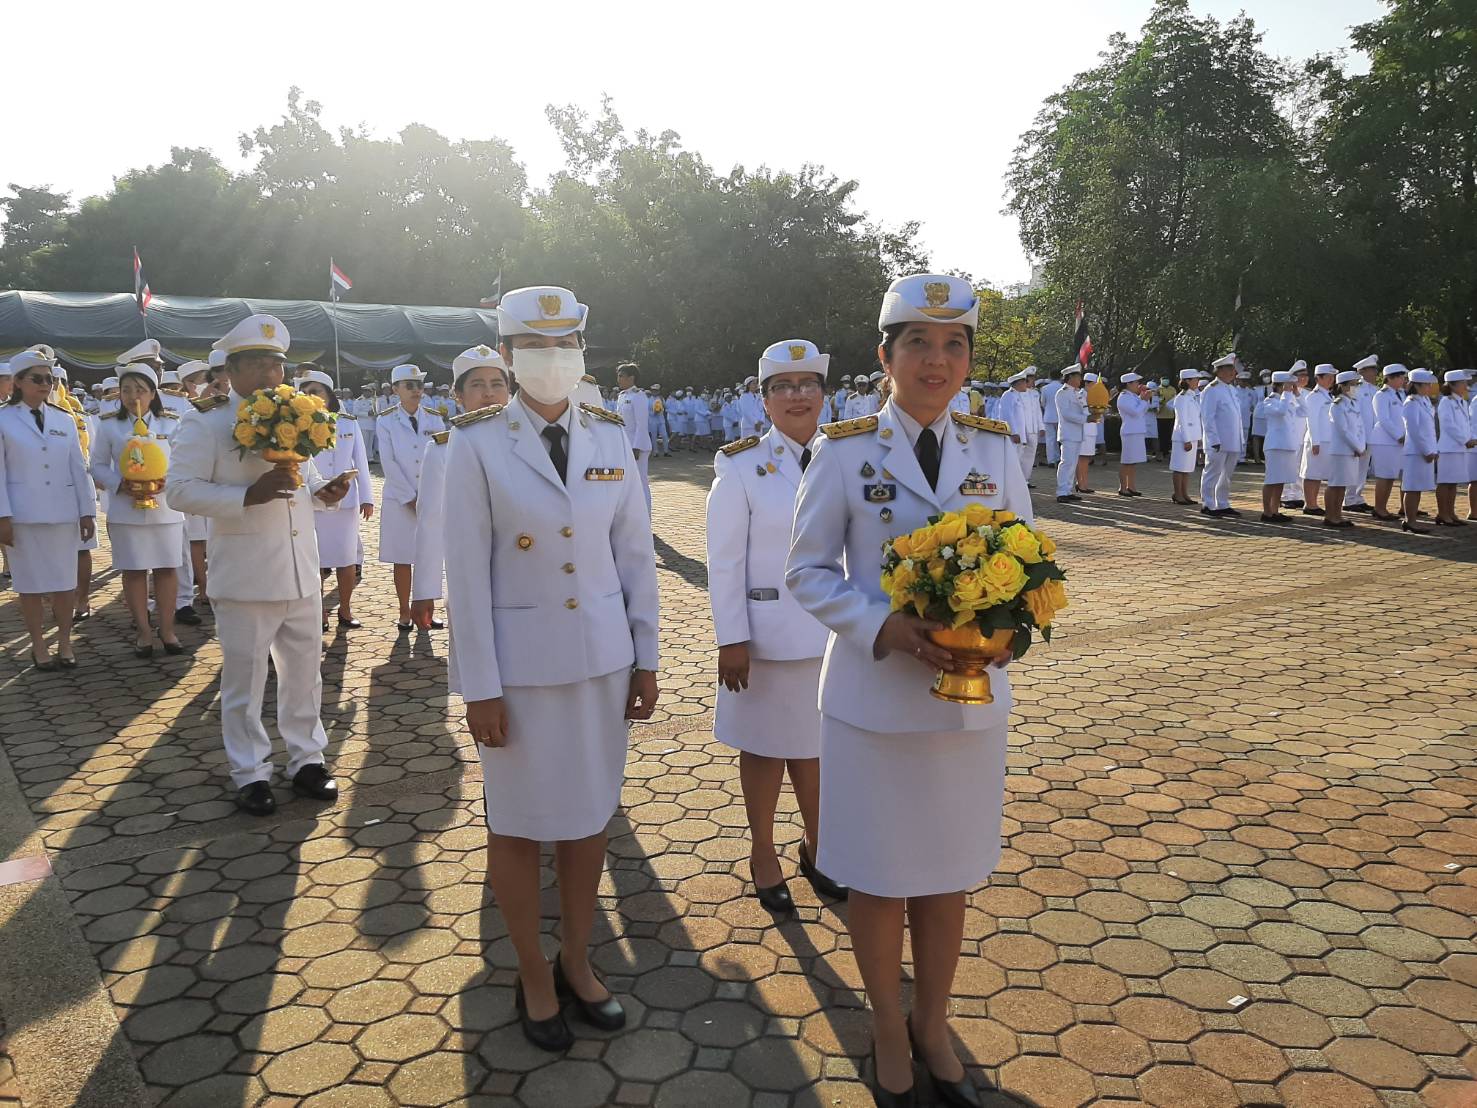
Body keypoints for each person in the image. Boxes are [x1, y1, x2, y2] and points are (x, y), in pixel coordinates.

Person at [787, 274, 1031, 1108]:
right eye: (918, 344)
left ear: (968, 359)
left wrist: (1011, 626)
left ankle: (933, 1024)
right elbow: (807, 572)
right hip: (871, 700)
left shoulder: (995, 448)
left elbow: (1026, 555)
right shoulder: (845, 449)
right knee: (878, 875)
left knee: (944, 872)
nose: (936, 359)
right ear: (884, 356)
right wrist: (882, 628)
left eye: (953, 344)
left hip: (966, 707)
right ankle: (886, 1026)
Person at [442, 285, 659, 1053]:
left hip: (602, 663)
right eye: (534, 348)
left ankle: (578, 958)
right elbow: (464, 577)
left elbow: (633, 554)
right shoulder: (471, 444)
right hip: (521, 676)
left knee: (588, 821)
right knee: (518, 828)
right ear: (505, 357)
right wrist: (479, 689)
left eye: (566, 346)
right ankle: (532, 970)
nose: (552, 361)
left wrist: (647, 657)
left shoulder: (607, 432)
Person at [165, 314, 352, 815]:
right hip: (246, 572)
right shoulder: (206, 420)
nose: (273, 374)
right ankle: (250, 771)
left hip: (300, 567)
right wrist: (247, 495)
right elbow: (179, 490)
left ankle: (307, 759)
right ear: (234, 370)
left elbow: (304, 477)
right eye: (260, 364)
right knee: (245, 680)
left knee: (305, 673)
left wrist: (324, 492)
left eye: (278, 364)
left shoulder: (299, 412)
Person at [706, 339, 847, 918]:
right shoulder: (739, 466)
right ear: (764, 399)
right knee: (764, 751)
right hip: (763, 640)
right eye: (783, 387)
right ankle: (763, 853)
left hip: (835, 634)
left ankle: (819, 848)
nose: (797, 396)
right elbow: (724, 561)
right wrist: (730, 637)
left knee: (817, 751)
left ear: (823, 395)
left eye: (808, 384)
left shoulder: (849, 456)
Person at [0, 350, 96, 670]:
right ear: (18, 382)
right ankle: (39, 645)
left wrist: (87, 512)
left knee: (63, 583)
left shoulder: (63, 417)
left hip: (63, 513)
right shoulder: (3, 418)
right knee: (28, 584)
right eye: (37, 378)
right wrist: (2, 517)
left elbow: (78, 468)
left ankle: (65, 643)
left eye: (49, 379)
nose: (45, 384)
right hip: (23, 516)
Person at [409, 345, 512, 629]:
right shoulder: (443, 450)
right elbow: (430, 522)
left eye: (497, 384)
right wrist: (425, 591)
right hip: (471, 577)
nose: (489, 393)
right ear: (459, 395)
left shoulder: (533, 443)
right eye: (477, 385)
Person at [90, 362, 188, 656]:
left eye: (140, 389)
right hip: (126, 509)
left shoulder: (171, 422)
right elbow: (95, 465)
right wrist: (119, 484)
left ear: (153, 393)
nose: (133, 395)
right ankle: (144, 631)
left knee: (167, 569)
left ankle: (167, 629)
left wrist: (165, 483)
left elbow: (183, 462)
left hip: (165, 509)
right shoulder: (109, 424)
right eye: (126, 389)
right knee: (134, 570)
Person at [295, 368, 374, 631]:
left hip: (345, 501)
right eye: (305, 392)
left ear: (328, 395)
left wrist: (367, 498)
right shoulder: (294, 425)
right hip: (311, 500)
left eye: (316, 391)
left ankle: (346, 608)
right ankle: (318, 612)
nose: (310, 396)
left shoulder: (348, 422)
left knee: (346, 558)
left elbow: (360, 461)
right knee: (314, 561)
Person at [377, 364, 446, 632]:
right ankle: (404, 611)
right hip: (399, 499)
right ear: (396, 389)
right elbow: (388, 462)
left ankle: (428, 610)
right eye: (409, 385)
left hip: (430, 498)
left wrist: (430, 496)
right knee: (403, 557)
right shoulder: (385, 420)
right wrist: (409, 497)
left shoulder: (434, 418)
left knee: (430, 554)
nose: (416, 390)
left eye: (418, 385)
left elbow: (441, 458)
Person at [1254, 371, 1301, 523]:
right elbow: (1280, 412)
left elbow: (1304, 411)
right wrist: (1287, 394)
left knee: (1280, 480)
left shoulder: (1288, 399)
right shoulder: (1270, 401)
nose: (1291, 387)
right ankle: (1266, 512)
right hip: (1275, 445)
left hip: (1287, 444)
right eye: (1289, 384)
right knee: (1271, 479)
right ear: (1281, 385)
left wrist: (1297, 395)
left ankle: (1275, 510)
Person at [1199, 355, 1243, 517]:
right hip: (1218, 441)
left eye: (1233, 369)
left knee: (1227, 475)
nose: (1233, 372)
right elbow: (1207, 417)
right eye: (1230, 369)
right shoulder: (1211, 390)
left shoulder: (1231, 389)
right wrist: (1213, 439)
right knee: (1212, 472)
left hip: (1232, 439)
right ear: (1220, 371)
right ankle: (1208, 504)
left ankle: (1222, 503)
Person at [1323, 370, 1367, 529]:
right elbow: (1343, 430)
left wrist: (1360, 447)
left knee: (1343, 484)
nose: (1356, 388)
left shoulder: (1354, 403)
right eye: (1354, 385)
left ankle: (1338, 515)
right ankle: (1330, 516)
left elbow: (1360, 427)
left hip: (1352, 450)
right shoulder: (1337, 405)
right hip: (1341, 450)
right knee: (1335, 484)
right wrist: (1357, 446)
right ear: (1343, 386)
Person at [1400, 369, 1439, 534]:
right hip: (1416, 452)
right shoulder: (1411, 403)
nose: (1430, 387)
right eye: (1427, 384)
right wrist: (1426, 451)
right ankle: (1410, 521)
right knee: (1412, 486)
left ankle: (1412, 519)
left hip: (1426, 450)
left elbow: (1429, 429)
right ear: (1417, 385)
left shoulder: (1424, 401)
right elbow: (1414, 431)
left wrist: (1432, 449)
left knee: (1418, 487)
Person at [1369, 364, 1408, 521]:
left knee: (1392, 476)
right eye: (1400, 377)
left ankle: (1393, 507)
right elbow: (1384, 419)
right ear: (1390, 377)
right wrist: (1399, 435)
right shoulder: (1382, 395)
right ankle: (1379, 508)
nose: (1403, 380)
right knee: (1384, 476)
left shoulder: (1402, 394)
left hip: (1399, 442)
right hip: (1385, 441)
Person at [1434, 370, 1473, 527]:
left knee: (1453, 482)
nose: (1466, 385)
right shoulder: (1446, 402)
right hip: (1449, 448)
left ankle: (1451, 513)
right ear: (1453, 385)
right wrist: (1465, 440)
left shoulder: (1462, 401)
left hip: (1459, 448)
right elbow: (1449, 425)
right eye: (1463, 382)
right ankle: (1442, 514)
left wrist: (1468, 438)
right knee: (1445, 482)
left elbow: (1465, 424)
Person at [1342, 356, 1379, 513]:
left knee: (1363, 469)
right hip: (1358, 435)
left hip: (1371, 435)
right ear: (1363, 371)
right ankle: (1349, 499)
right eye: (1373, 370)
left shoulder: (1375, 390)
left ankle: (1357, 496)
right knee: (1354, 467)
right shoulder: (1355, 388)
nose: (1376, 373)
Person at [1298, 364, 1336, 515]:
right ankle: (1310, 504)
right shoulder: (1314, 396)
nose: (1331, 380)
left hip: (1327, 440)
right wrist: (1315, 442)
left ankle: (1313, 503)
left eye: (1332, 377)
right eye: (1328, 377)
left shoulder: (1328, 395)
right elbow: (1311, 420)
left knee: (1319, 473)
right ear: (1318, 378)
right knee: (1312, 473)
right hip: (1317, 439)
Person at [615, 364, 653, 512]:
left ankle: (646, 518)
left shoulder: (638, 396)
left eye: (621, 376)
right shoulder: (622, 396)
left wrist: (636, 447)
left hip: (636, 446)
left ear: (631, 378)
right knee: (627, 484)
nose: (618, 379)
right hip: (624, 444)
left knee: (640, 482)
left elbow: (641, 424)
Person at [998, 369, 1042, 484]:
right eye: (1024, 382)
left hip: (1020, 435)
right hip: (1014, 435)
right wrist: (1013, 432)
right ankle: (1009, 484)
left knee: (1018, 459)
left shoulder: (1018, 395)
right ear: (1019, 383)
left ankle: (1018, 483)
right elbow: (1007, 415)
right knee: (1012, 460)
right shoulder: (1009, 395)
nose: (1026, 385)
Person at [1169, 368, 1203, 504]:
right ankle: (1178, 494)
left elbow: (1196, 419)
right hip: (1183, 437)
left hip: (1192, 436)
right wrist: (1187, 439)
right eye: (1195, 380)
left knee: (1187, 468)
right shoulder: (1181, 398)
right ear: (1187, 381)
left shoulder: (1192, 397)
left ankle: (1184, 493)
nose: (1197, 382)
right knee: (1179, 467)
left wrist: (1198, 437)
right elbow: (1182, 420)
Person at [1054, 365, 1087, 503]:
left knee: (1072, 464)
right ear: (1071, 377)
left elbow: (1084, 410)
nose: (1080, 379)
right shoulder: (1062, 393)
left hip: (1077, 433)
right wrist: (1086, 418)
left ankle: (1067, 490)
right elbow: (1067, 414)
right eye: (1078, 376)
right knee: (1066, 462)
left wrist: (1095, 414)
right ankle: (1061, 491)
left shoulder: (1077, 393)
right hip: (1068, 433)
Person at [1115, 372, 1150, 497]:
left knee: (1133, 461)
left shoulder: (1133, 396)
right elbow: (1135, 412)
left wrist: (1144, 399)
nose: (1138, 385)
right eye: (1136, 382)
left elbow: (1143, 410)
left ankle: (1131, 486)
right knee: (1127, 461)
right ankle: (1123, 487)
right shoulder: (1124, 396)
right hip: (1130, 431)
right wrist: (1144, 401)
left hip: (1137, 430)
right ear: (1128, 384)